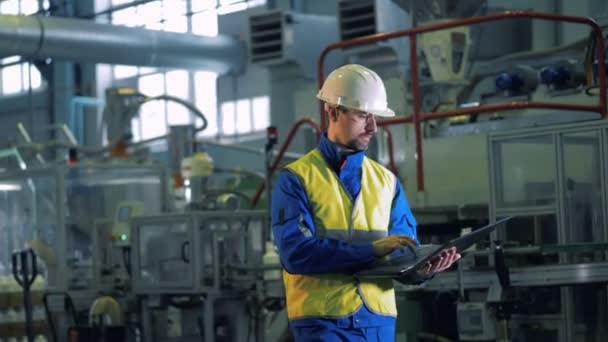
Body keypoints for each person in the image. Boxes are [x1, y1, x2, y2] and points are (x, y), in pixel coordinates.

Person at [271, 64, 460, 342]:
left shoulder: (387, 182)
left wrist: (422, 269)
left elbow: (404, 254)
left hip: (376, 323)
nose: (373, 127)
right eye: (363, 116)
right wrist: (372, 249)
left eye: (375, 117)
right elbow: (296, 253)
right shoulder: (296, 179)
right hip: (323, 323)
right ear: (333, 112)